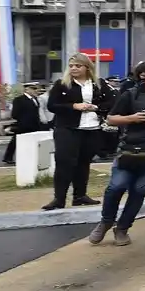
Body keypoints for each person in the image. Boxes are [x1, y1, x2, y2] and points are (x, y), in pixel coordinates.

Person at [89, 58, 145, 246]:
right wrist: (133, 118)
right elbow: (111, 119)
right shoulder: (131, 95)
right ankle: (105, 222)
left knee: (138, 192)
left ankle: (122, 228)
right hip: (129, 151)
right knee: (116, 187)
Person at [43, 53, 117, 211]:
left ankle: (80, 196)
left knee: (84, 162)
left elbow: (111, 102)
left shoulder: (99, 84)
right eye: (71, 66)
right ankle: (59, 198)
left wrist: (96, 107)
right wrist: (73, 106)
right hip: (67, 128)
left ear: (87, 67)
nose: (74, 69)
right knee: (64, 162)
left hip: (91, 128)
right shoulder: (61, 84)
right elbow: (52, 105)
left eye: (78, 66)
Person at [4, 82, 43, 165]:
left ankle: (29, 157)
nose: (35, 91)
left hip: (35, 125)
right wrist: (23, 120)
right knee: (15, 141)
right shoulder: (19, 100)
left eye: (36, 89)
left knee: (32, 142)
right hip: (23, 125)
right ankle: (8, 157)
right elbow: (14, 114)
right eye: (33, 89)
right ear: (27, 89)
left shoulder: (35, 99)